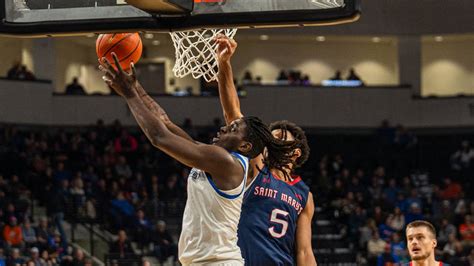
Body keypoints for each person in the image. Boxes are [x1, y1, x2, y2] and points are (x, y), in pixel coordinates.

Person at [99, 53, 296, 266]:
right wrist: (137, 88)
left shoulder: (227, 163)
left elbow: (159, 138)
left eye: (232, 129)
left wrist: (129, 94)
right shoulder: (211, 156)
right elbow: (164, 123)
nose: (224, 127)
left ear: (244, 146)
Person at [215, 34, 316, 265]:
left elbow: (304, 252)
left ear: (295, 152)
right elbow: (234, 116)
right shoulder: (257, 165)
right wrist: (224, 65)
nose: (272, 142)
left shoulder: (304, 194)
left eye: (280, 138)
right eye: (270, 138)